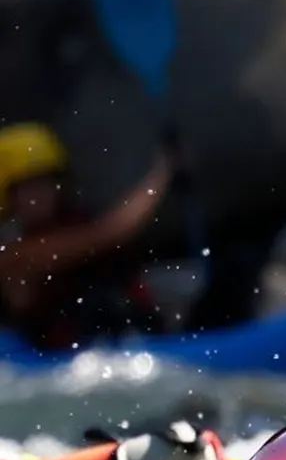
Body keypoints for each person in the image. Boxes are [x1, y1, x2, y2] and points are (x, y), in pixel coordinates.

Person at [0, 121, 178, 350]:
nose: (40, 194)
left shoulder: (73, 221)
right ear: (9, 196)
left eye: (46, 180)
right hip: (62, 365)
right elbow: (114, 231)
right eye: (27, 187)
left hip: (125, 347)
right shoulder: (17, 255)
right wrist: (164, 172)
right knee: (96, 307)